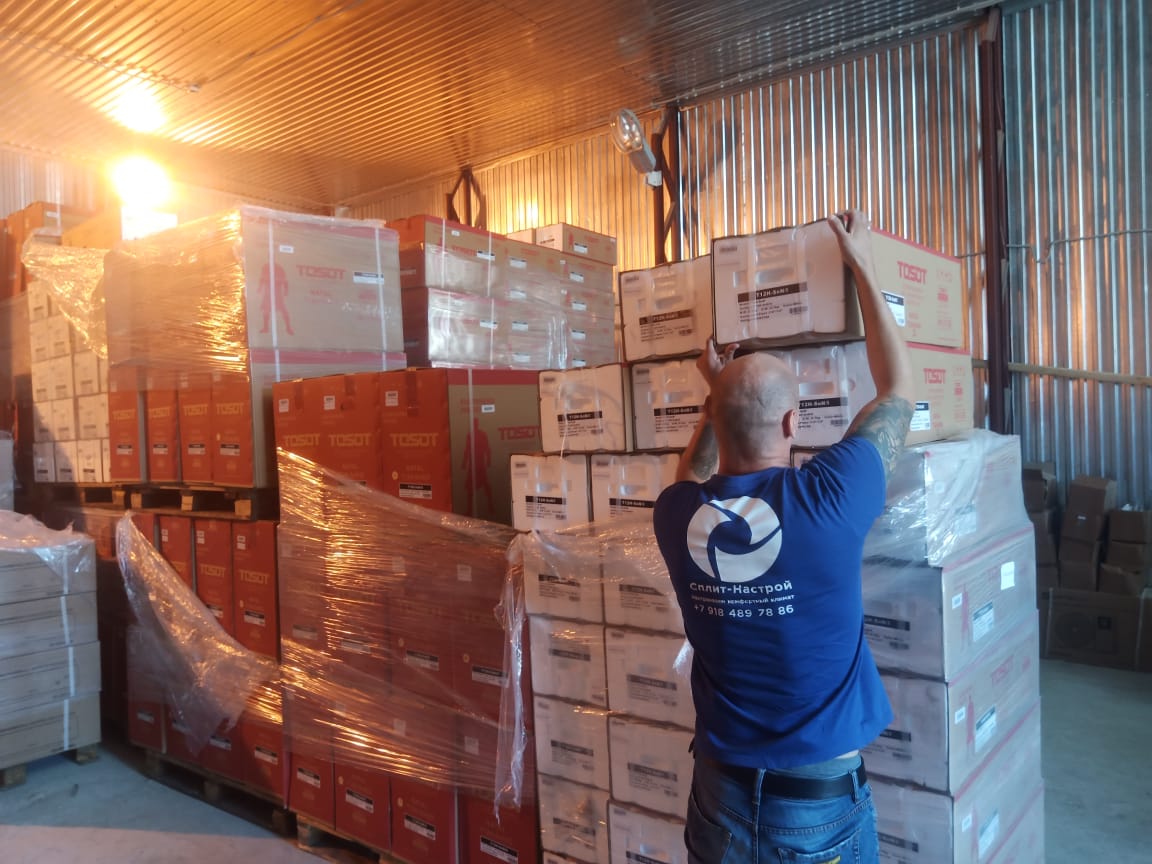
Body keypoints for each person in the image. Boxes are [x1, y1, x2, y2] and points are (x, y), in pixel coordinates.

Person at [653, 210, 914, 863]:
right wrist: (860, 264)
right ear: (795, 422)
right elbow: (897, 390)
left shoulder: (678, 517)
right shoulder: (829, 498)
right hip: (816, 805)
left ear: (715, 419)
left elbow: (695, 474)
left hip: (719, 797)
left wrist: (719, 395)